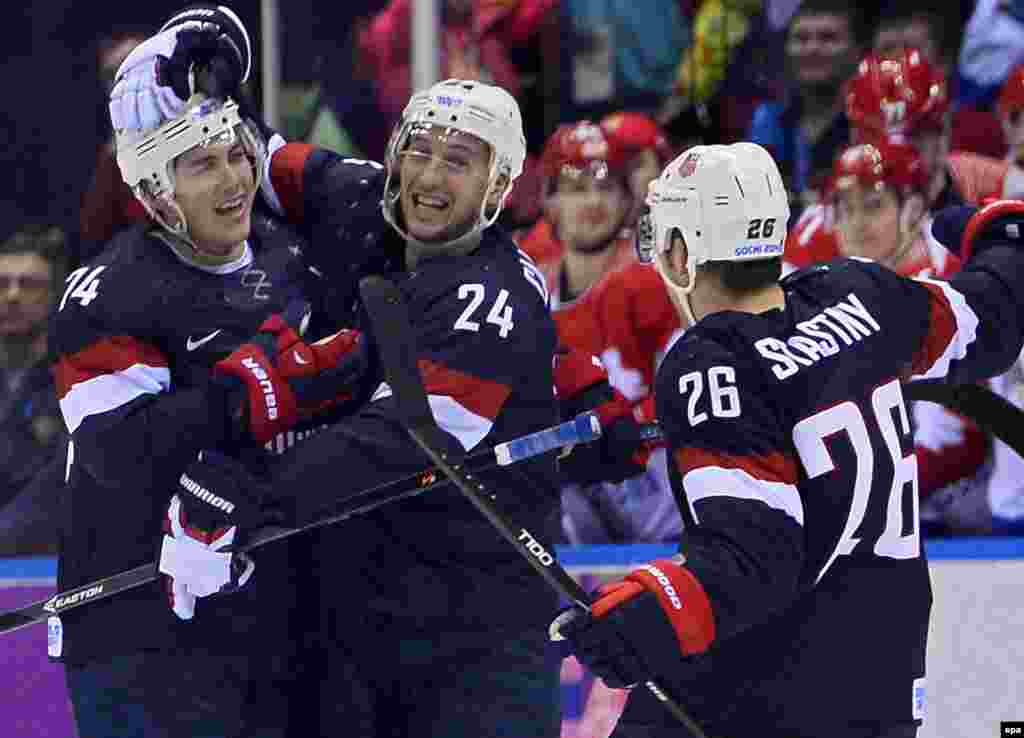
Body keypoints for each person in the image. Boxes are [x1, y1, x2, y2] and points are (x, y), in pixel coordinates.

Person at [118, 9, 567, 734]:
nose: (429, 176)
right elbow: (262, 161)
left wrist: (249, 487)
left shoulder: (495, 295)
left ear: (500, 184)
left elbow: (402, 442)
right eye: (419, 151)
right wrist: (211, 88)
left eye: (460, 161)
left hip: (479, 639)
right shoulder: (360, 198)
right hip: (363, 621)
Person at [551, 142, 1024, 737]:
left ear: (680, 252)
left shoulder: (711, 362)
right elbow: (994, 322)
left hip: (774, 690)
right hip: (885, 686)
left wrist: (645, 613)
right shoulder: (863, 294)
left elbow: (755, 558)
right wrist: (1002, 235)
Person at [51, 7, 367, 737]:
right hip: (136, 635)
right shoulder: (109, 293)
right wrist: (244, 393)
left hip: (272, 619)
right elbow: (113, 452)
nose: (234, 177)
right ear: (156, 191)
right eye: (202, 164)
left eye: (235, 152)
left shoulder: (288, 254)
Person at [786, 47, 1007, 274]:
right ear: (854, 138)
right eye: (876, 137)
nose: (896, 152)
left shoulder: (988, 184)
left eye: (913, 137)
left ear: (943, 134)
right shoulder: (818, 227)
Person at [746, 0, 862, 212]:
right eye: (801, 39)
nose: (812, 48)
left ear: (856, 51)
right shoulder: (768, 122)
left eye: (828, 38)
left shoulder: (867, 124)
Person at [0, 224, 68, 555]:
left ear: (54, 295)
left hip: (43, 557)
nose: (12, 296)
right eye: (2, 284)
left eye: (28, 285)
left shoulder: (76, 378)